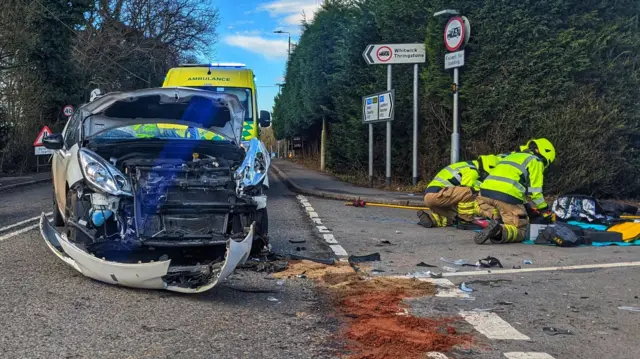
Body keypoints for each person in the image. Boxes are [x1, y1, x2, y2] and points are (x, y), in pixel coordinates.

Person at [473, 138, 556, 244]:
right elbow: (535, 193)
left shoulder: (512, 156)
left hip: (485, 193)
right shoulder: (535, 161)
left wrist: (526, 206)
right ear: (544, 154)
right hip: (505, 195)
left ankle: (498, 222)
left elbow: (514, 184)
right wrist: (544, 209)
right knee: (521, 231)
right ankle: (499, 230)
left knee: (503, 213)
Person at [418, 154, 500, 228]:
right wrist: (491, 212)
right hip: (438, 194)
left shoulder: (468, 165)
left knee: (454, 218)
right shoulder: (472, 171)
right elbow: (470, 195)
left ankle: (431, 219)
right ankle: (465, 221)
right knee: (470, 192)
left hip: (434, 196)